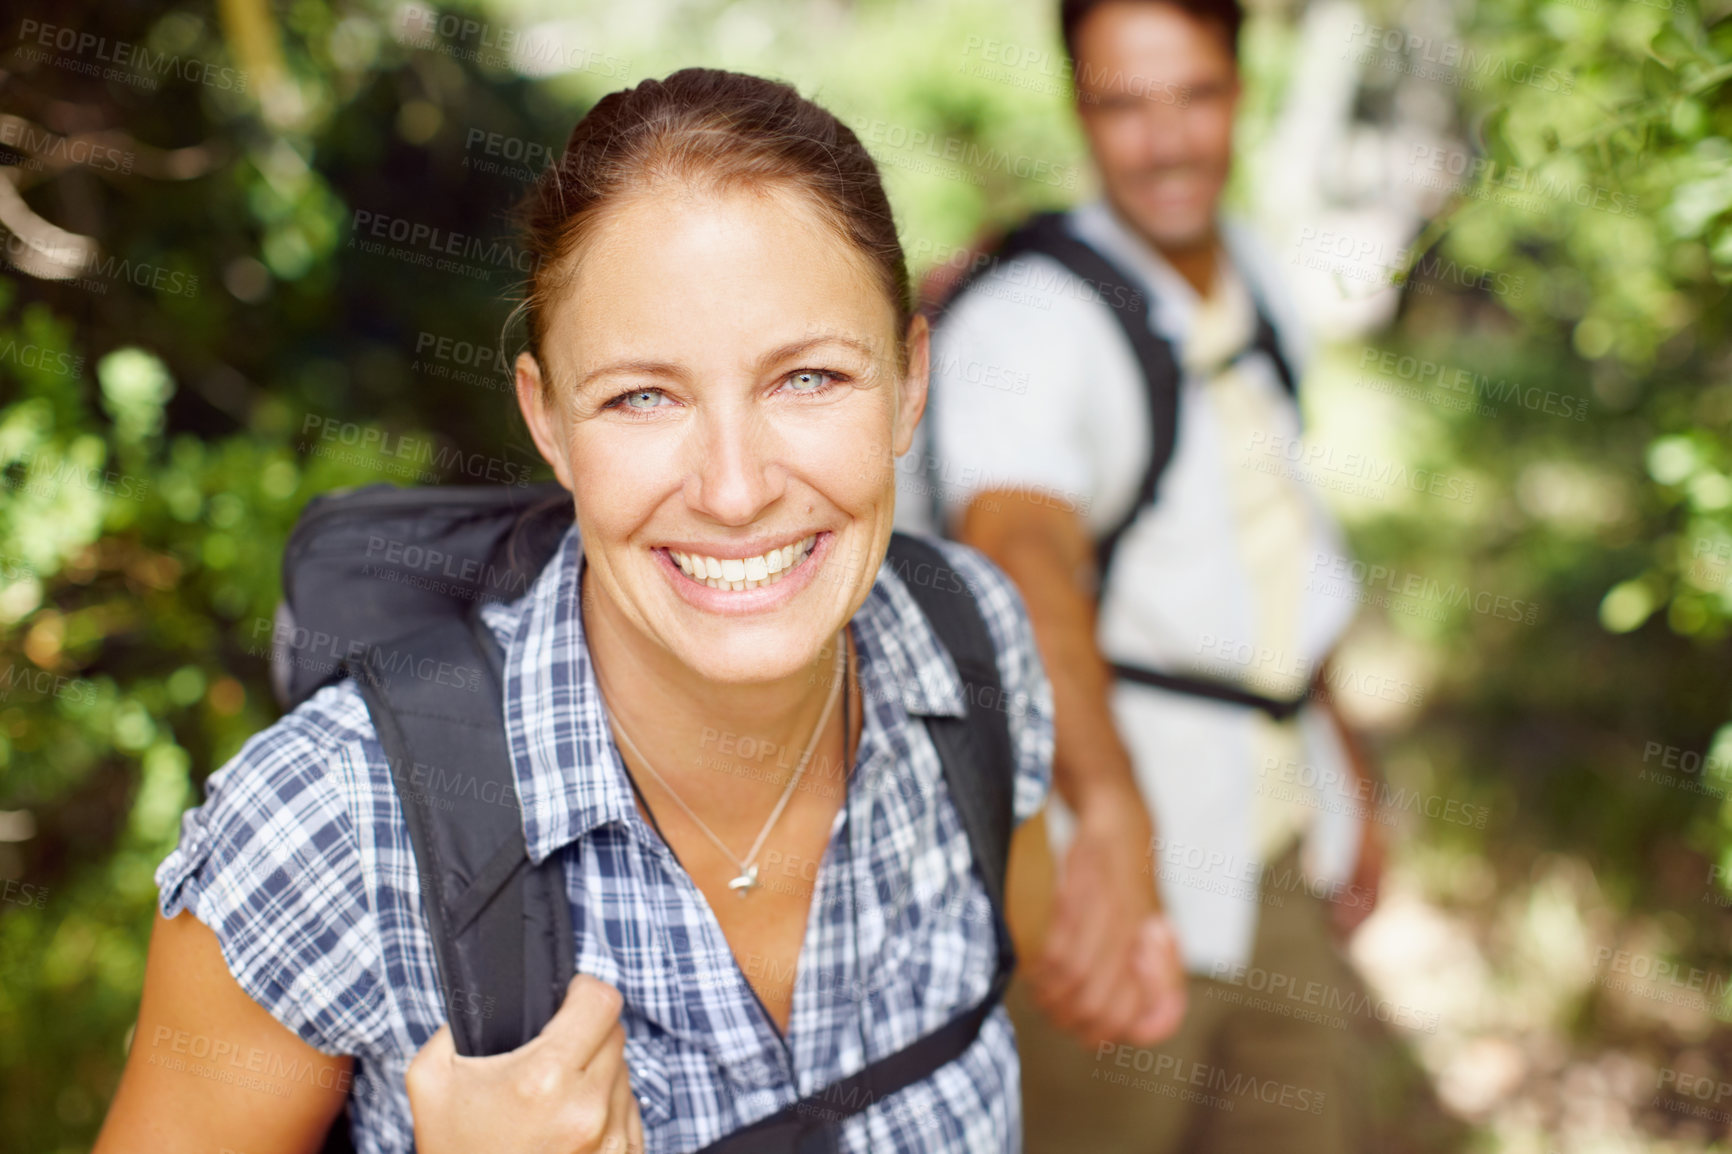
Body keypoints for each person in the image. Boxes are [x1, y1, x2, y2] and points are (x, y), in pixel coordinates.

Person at [90, 67, 1120, 1154]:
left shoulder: (973, 643)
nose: (734, 487)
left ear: (911, 382)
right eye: (642, 395)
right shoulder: (326, 830)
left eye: (808, 378)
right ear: (547, 420)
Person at [900, 1, 1387, 1150]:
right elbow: (1020, 552)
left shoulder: (1255, 279)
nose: (1165, 141)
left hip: (1277, 846)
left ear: (1241, 88)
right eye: (1124, 103)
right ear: (1079, 111)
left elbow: (1267, 553)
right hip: (1095, 873)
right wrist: (1112, 817)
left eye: (1194, 95)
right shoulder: (1031, 320)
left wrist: (1346, 768)